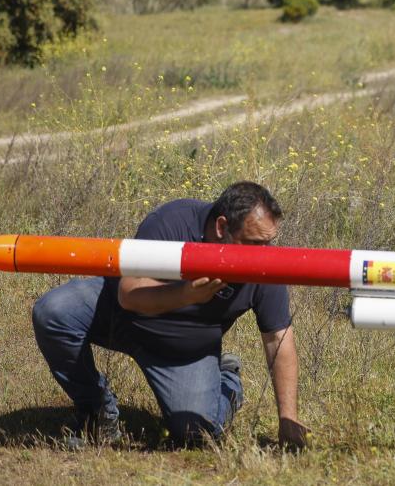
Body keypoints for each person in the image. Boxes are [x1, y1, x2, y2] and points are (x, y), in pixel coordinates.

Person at [32, 181, 309, 448]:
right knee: (54, 311)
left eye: (268, 243)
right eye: (253, 243)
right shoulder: (172, 221)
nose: (265, 253)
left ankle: (228, 379)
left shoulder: (266, 264)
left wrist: (288, 417)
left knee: (197, 434)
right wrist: (186, 295)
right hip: (120, 313)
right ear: (222, 226)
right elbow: (129, 293)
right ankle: (96, 412)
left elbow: (278, 338)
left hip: (183, 352)